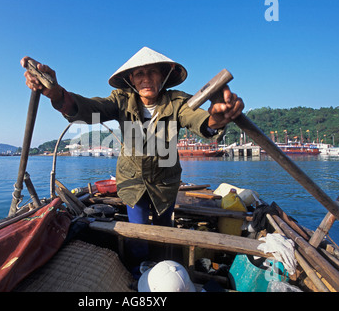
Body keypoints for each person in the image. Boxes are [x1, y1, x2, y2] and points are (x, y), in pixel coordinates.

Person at [21, 47, 243, 259]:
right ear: (131, 80)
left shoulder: (178, 102)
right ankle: (138, 274)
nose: (146, 78)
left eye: (152, 71)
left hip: (166, 181)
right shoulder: (121, 100)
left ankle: (162, 266)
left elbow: (198, 120)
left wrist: (216, 120)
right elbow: (90, 109)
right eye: (139, 73)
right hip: (132, 181)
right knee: (136, 232)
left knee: (164, 230)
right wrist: (57, 94)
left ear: (163, 76)